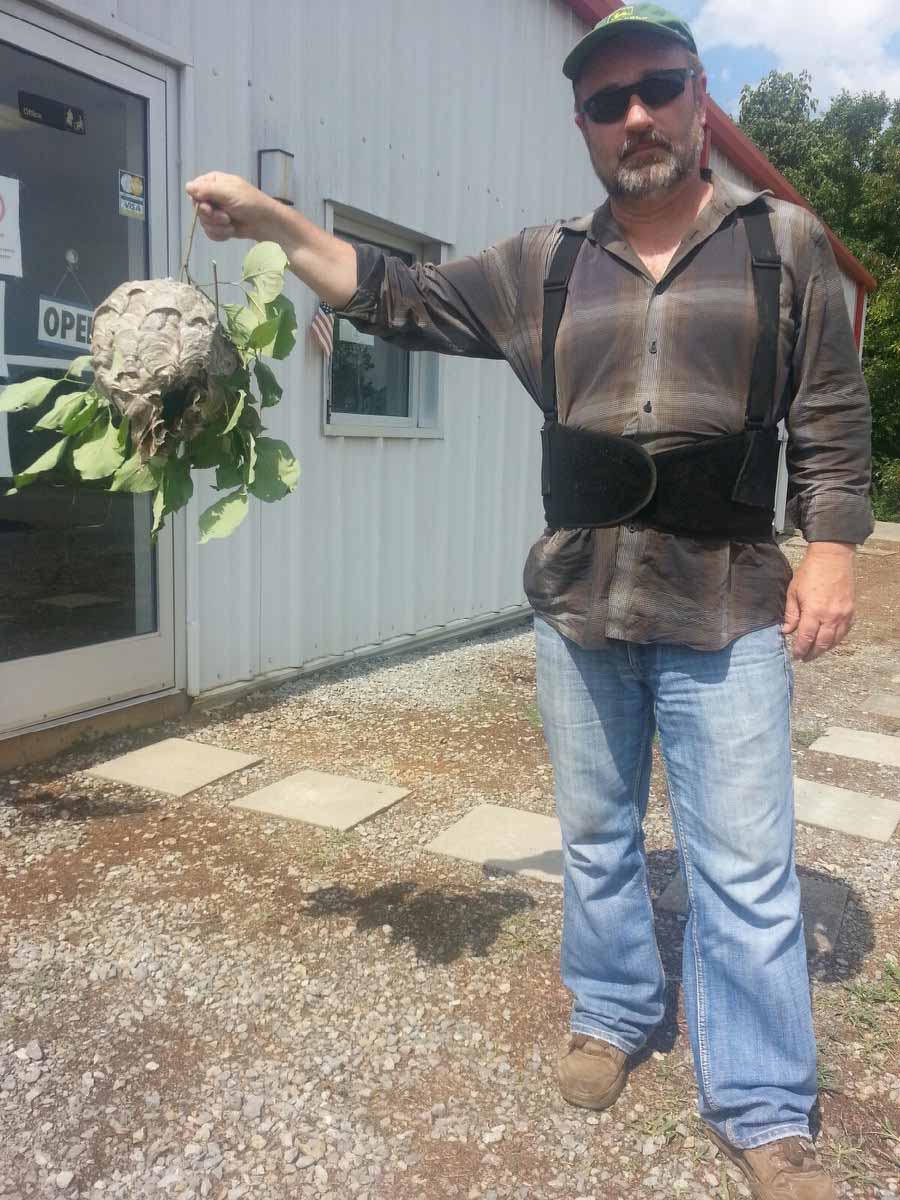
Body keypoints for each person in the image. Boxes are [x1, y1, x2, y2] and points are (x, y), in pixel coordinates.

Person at [186, 6, 872, 1196]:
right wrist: (274, 221)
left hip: (729, 604)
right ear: (585, 127)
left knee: (748, 865)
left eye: (657, 88)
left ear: (699, 98)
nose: (636, 117)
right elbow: (392, 293)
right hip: (581, 606)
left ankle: (763, 1104)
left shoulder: (784, 244)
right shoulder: (541, 262)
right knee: (599, 839)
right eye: (608, 103)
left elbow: (831, 414)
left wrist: (834, 549)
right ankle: (611, 1014)